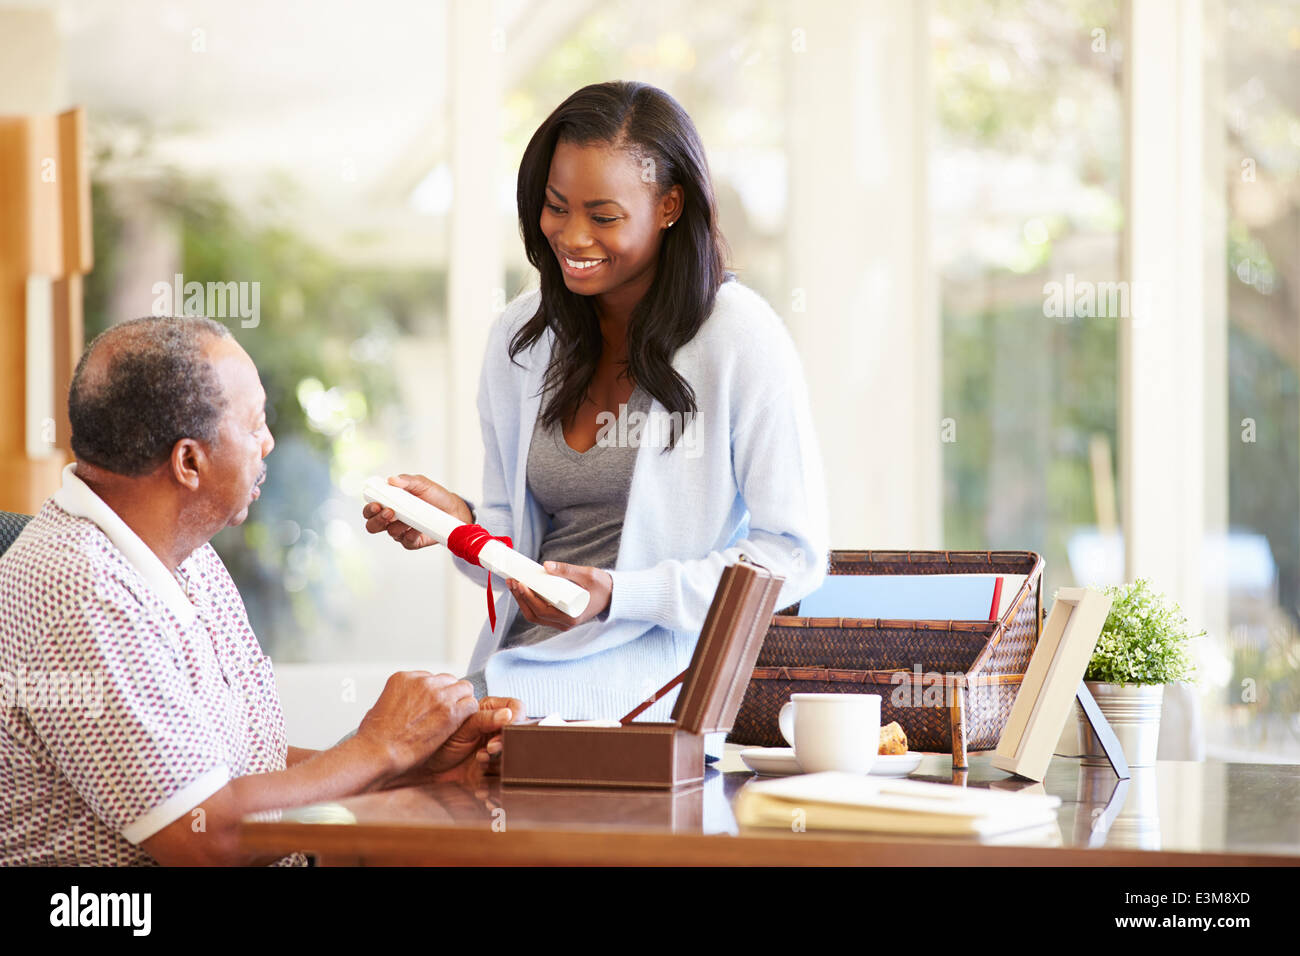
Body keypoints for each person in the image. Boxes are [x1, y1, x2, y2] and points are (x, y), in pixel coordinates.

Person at [364, 81, 828, 722]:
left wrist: (619, 595)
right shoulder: (520, 338)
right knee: (388, 755)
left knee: (402, 757)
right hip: (517, 675)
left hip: (655, 700)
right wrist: (456, 527)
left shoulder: (738, 338)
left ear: (669, 205)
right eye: (556, 208)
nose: (572, 237)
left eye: (603, 217)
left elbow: (792, 556)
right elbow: (517, 568)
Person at [0, 316, 521, 866]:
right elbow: (207, 838)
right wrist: (378, 746)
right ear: (189, 462)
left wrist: (411, 764)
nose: (269, 442)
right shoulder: (82, 593)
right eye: (254, 426)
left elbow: (246, 770)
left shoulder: (183, 552)